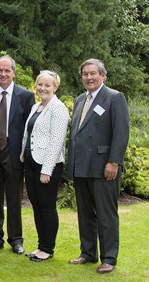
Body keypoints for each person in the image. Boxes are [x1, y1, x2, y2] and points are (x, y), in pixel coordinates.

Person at [67, 59, 129, 274]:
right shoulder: (79, 100)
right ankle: (88, 253)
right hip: (81, 167)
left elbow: (121, 133)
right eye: (85, 74)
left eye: (93, 73)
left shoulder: (114, 98)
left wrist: (114, 161)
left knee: (106, 214)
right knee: (85, 213)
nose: (89, 78)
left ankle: (109, 258)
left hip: (104, 167)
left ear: (103, 75)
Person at [0, 55, 34, 255]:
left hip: (14, 151)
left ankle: (16, 240)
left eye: (7, 71)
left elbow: (28, 126)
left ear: (13, 73)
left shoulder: (26, 96)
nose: (3, 74)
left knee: (13, 198)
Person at [20, 70, 69, 262]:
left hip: (47, 167)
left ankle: (47, 248)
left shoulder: (58, 108)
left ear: (55, 87)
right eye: (40, 84)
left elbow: (56, 141)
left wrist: (46, 170)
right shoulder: (36, 107)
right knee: (36, 205)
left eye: (47, 85)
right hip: (31, 163)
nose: (43, 88)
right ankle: (41, 246)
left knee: (47, 207)